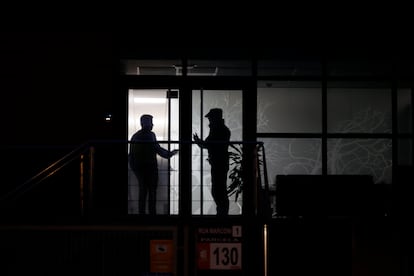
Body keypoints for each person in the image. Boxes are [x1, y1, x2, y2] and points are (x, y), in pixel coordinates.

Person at [129, 114, 178, 215]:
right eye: (151, 122)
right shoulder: (150, 135)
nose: (153, 125)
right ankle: (152, 214)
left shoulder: (135, 136)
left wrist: (135, 169)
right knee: (152, 191)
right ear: (146, 124)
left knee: (143, 191)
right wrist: (170, 154)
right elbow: (157, 149)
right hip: (150, 168)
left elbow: (131, 155)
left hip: (140, 169)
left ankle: (141, 213)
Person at [193, 108, 231, 216]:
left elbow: (208, 144)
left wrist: (198, 142)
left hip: (219, 163)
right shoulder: (221, 130)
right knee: (219, 189)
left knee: (218, 190)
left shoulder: (218, 130)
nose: (209, 120)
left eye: (210, 118)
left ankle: (222, 214)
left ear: (215, 118)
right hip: (219, 162)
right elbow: (209, 144)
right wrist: (199, 142)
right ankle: (222, 213)